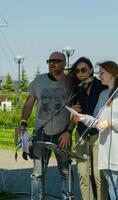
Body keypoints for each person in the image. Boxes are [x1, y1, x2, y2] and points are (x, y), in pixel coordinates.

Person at [16, 51, 75, 200]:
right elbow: (29, 103)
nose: (52, 63)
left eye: (56, 61)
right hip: (41, 134)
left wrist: (69, 131)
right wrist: (23, 122)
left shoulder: (71, 82)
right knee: (38, 174)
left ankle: (67, 198)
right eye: (49, 61)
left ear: (64, 64)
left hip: (62, 135)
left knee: (66, 172)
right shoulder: (39, 80)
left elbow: (77, 110)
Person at [74, 61, 118, 200]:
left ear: (112, 74)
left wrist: (109, 123)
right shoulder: (103, 94)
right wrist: (83, 118)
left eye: (102, 73)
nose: (99, 75)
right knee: (111, 186)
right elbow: (96, 120)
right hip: (105, 147)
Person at [68, 57, 108, 200]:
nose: (81, 73)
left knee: (99, 175)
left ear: (91, 70)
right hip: (81, 134)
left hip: (98, 133)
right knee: (82, 173)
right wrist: (72, 111)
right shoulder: (77, 89)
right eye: (78, 71)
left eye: (84, 70)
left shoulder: (101, 86)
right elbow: (74, 116)